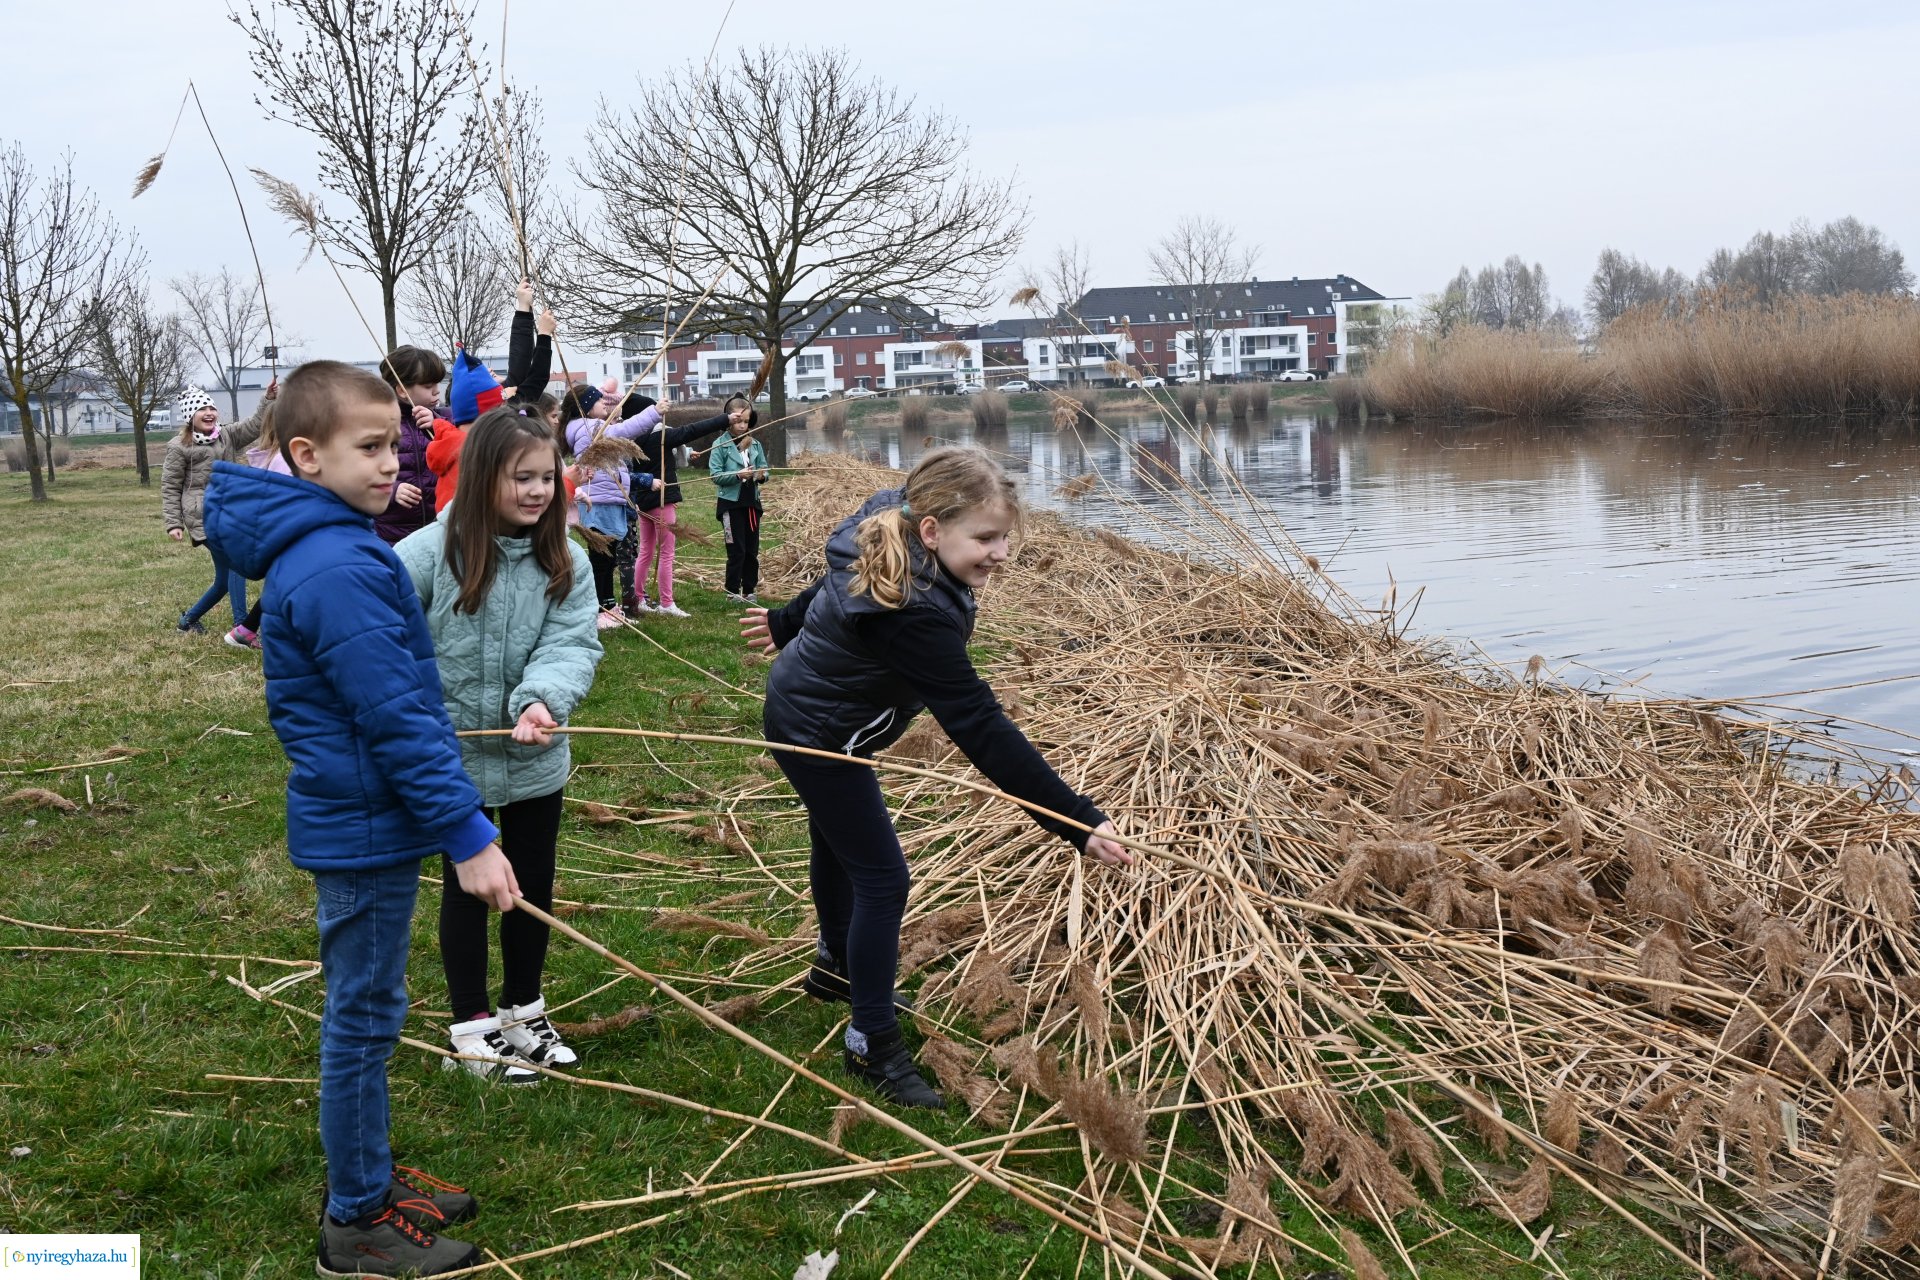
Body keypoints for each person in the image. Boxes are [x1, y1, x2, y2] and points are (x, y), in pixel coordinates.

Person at [202, 360, 519, 1276]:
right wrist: (469, 836)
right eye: (371, 447)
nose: (394, 462)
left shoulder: (338, 542)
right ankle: (357, 1221)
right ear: (305, 455)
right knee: (364, 1017)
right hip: (367, 823)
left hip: (370, 816)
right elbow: (393, 719)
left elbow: (393, 699)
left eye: (395, 443)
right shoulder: (337, 564)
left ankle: (371, 1176)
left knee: (374, 1007)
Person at [740, 447, 1133, 1109]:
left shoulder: (889, 517)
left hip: (808, 708)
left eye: (1006, 535)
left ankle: (838, 965)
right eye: (985, 538)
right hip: (821, 735)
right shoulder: (915, 612)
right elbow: (981, 727)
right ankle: (871, 1039)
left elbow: (837, 575)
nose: (1000, 553)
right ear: (931, 531)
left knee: (839, 846)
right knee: (883, 877)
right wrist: (1076, 819)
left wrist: (787, 621)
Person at [395, 407, 603, 1083]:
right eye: (522, 478)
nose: (539, 490)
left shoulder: (565, 557)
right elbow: (390, 641)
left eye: (547, 477)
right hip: (453, 759)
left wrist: (542, 698)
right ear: (483, 475)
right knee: (468, 889)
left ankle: (523, 1011)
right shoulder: (427, 553)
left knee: (530, 886)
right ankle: (472, 1024)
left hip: (534, 755)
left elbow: (571, 641)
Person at [423, 282, 557, 516]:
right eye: (501, 398)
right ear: (490, 410)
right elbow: (533, 379)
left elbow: (519, 370)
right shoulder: (487, 446)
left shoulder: (458, 434)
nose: (506, 395)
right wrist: (543, 336)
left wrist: (523, 309)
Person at [162, 382, 275, 634]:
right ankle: (241, 627)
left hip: (229, 510)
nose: (209, 413)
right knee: (238, 564)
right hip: (203, 515)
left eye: (212, 407)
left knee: (224, 581)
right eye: (202, 409)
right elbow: (170, 486)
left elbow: (256, 424)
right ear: (191, 417)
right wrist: (173, 523)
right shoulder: (179, 446)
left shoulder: (227, 435)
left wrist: (267, 398)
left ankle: (187, 621)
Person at [620, 393, 733, 618]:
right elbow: (692, 430)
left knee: (645, 551)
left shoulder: (631, 440)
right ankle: (666, 603)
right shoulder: (659, 436)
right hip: (662, 500)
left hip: (642, 501)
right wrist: (725, 419)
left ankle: (639, 598)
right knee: (667, 554)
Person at [562, 383, 664, 628]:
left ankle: (608, 605)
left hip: (606, 499)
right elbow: (626, 430)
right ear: (586, 407)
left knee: (607, 559)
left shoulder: (589, 427)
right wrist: (655, 411)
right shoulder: (592, 428)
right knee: (602, 558)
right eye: (598, 401)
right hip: (601, 502)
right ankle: (601, 609)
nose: (604, 404)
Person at [373, 346, 448, 545]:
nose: (436, 391)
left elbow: (460, 455)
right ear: (402, 390)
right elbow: (358, 473)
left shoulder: (444, 419)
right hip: (392, 536)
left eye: (437, 383)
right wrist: (390, 489)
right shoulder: (376, 425)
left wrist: (438, 424)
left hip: (438, 532)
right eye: (428, 385)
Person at [707, 402, 769, 602]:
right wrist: (737, 475)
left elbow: (764, 469)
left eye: (746, 422)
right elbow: (715, 475)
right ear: (729, 420)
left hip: (752, 504)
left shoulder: (755, 444)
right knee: (737, 550)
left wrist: (761, 475)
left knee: (752, 550)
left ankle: (749, 590)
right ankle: (732, 591)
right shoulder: (720, 444)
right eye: (738, 421)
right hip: (730, 505)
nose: (742, 426)